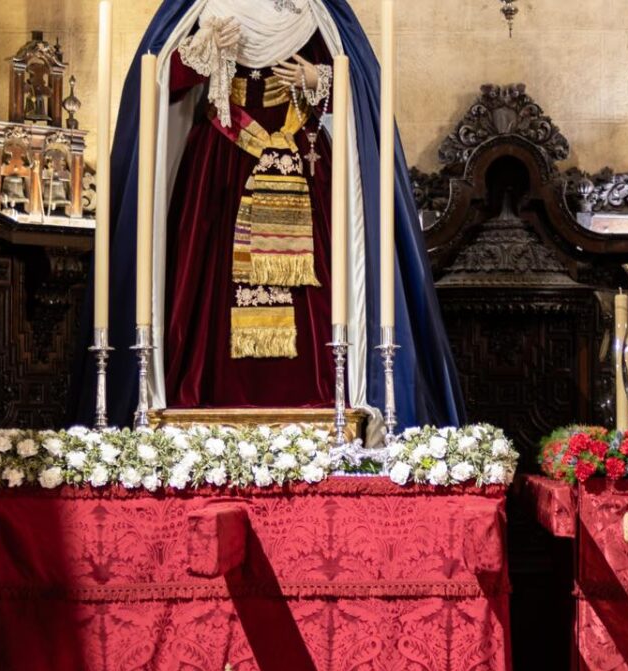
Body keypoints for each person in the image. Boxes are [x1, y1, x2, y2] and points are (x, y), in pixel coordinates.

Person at [71, 0, 465, 430]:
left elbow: (361, 92)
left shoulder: (310, 10)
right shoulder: (205, 7)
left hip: (301, 159)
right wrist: (198, 53)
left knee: (319, 286)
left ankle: (324, 397)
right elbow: (158, 81)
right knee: (205, 278)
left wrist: (319, 78)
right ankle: (200, 398)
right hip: (220, 164)